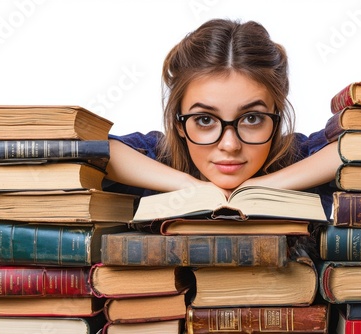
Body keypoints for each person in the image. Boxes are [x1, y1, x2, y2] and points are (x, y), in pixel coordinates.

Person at [104, 18, 342, 217]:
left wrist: (263, 187)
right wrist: (190, 186)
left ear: (277, 118)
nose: (230, 145)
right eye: (205, 120)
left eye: (252, 118)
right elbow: (93, 152)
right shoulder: (159, 159)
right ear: (179, 124)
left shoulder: (298, 158)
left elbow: (358, 146)